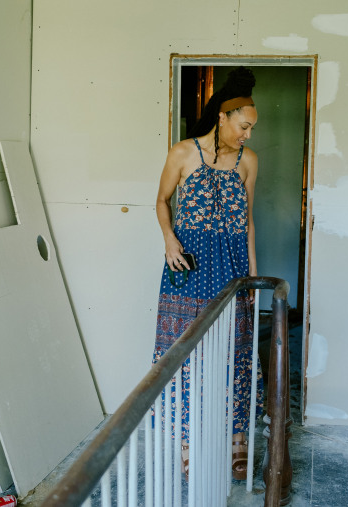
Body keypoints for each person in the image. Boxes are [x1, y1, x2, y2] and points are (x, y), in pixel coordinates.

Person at [152, 66, 261, 481]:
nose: (247, 134)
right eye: (243, 125)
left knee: (235, 350)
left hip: (232, 269)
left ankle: (236, 440)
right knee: (185, 352)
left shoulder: (248, 162)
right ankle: (186, 444)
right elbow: (162, 200)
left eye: (251, 128)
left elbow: (248, 222)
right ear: (223, 116)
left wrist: (253, 278)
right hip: (189, 268)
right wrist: (169, 238)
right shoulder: (182, 153)